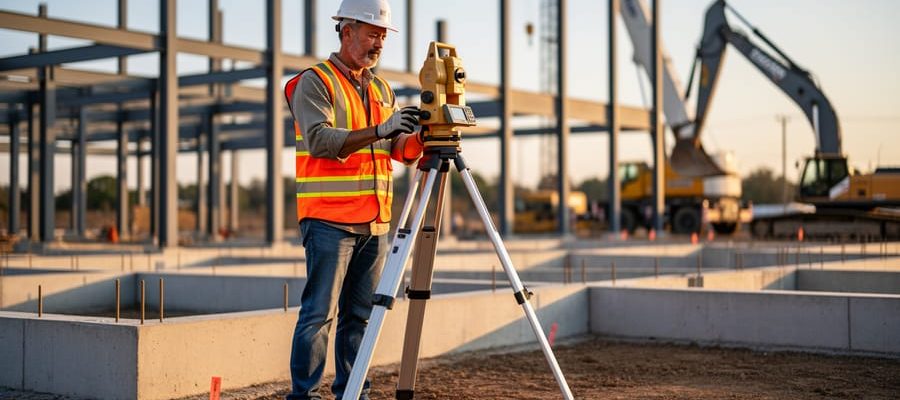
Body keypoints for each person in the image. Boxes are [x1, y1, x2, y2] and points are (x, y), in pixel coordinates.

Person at [282, 0, 423, 398]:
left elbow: (397, 149)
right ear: (347, 32)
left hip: (375, 221)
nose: (378, 42)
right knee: (318, 317)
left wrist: (419, 139)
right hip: (328, 220)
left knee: (359, 317)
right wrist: (382, 128)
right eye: (372, 32)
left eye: (382, 35)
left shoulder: (380, 88)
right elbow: (320, 141)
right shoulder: (316, 81)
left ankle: (352, 391)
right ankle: (303, 395)